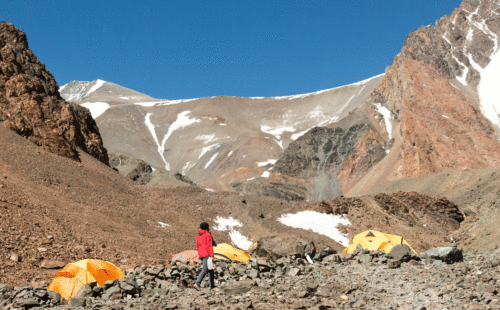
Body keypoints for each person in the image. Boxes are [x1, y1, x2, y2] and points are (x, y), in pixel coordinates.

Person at [194, 222, 217, 291]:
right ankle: (197, 283)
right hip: (207, 254)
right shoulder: (208, 235)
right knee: (205, 269)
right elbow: (210, 246)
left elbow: (198, 245)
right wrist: (212, 255)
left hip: (201, 254)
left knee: (210, 269)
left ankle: (212, 285)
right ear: (207, 227)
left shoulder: (199, 235)